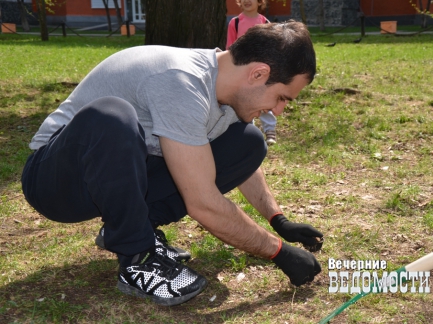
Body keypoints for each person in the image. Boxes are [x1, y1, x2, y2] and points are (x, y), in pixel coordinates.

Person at [21, 21, 323, 306]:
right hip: (56, 183)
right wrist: (279, 252)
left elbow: (242, 166)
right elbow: (202, 203)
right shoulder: (180, 82)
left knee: (248, 142)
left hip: (110, 177)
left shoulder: (227, 87)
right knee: (112, 117)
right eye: (282, 97)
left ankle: (140, 226)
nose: (279, 110)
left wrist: (277, 219)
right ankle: (137, 257)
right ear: (258, 74)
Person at [226, 0, 278, 145]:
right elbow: (229, 48)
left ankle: (269, 129)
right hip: (242, 69)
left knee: (264, 96)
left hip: (262, 69)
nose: (247, 1)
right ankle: (250, 130)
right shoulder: (235, 23)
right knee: (247, 100)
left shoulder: (265, 23)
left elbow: (271, 47)